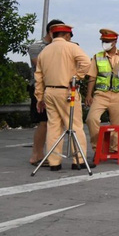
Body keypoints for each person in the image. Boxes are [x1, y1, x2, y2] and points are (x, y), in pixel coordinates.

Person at [34, 23, 92, 170]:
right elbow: (86, 62)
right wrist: (76, 77)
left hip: (49, 92)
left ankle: (54, 162)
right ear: (67, 35)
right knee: (74, 125)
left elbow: (38, 76)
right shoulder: (71, 47)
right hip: (67, 90)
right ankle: (78, 160)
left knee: (54, 127)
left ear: (53, 34)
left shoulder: (44, 52)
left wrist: (39, 97)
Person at [85, 29, 119, 154]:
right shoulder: (97, 57)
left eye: (108, 41)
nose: (105, 43)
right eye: (103, 41)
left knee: (116, 125)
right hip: (101, 94)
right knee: (92, 119)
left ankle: (114, 149)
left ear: (115, 41)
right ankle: (98, 148)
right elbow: (92, 77)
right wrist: (88, 95)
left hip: (118, 94)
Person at [27, 19, 65, 166]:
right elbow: (41, 65)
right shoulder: (37, 46)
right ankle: (36, 154)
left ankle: (50, 155)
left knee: (54, 123)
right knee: (43, 122)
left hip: (56, 88)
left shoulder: (62, 47)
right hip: (39, 88)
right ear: (51, 32)